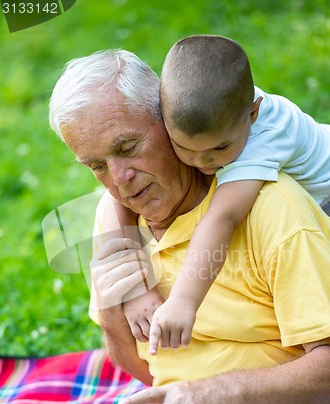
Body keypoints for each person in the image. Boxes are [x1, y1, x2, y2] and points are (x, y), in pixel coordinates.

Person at [49, 49, 330, 404]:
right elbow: (148, 371)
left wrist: (223, 393)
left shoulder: (272, 207)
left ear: (167, 120)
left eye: (128, 148)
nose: (119, 179)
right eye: (97, 165)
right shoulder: (121, 228)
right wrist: (110, 308)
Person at [104, 35, 330, 356]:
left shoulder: (264, 139)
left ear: (252, 113)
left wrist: (183, 300)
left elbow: (223, 219)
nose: (203, 162)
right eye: (184, 148)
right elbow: (112, 199)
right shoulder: (215, 114)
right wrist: (135, 283)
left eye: (219, 149)